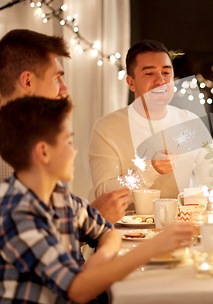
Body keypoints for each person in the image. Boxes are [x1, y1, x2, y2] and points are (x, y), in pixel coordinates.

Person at [0, 96, 196, 303]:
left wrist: (93, 265)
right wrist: (154, 246)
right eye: (68, 142)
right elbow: (77, 290)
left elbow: (107, 231)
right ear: (43, 152)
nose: (74, 151)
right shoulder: (15, 211)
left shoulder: (58, 195)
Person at [0, 29, 129, 223]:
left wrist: (89, 216)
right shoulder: (14, 149)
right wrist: (95, 217)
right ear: (28, 81)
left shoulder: (39, 132)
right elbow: (30, 238)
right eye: (56, 78)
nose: (64, 89)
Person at [89, 40, 213, 200]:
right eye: (149, 73)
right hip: (123, 224)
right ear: (131, 82)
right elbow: (103, 194)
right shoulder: (107, 128)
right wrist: (150, 169)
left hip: (181, 223)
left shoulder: (190, 122)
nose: (160, 80)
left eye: (166, 73)